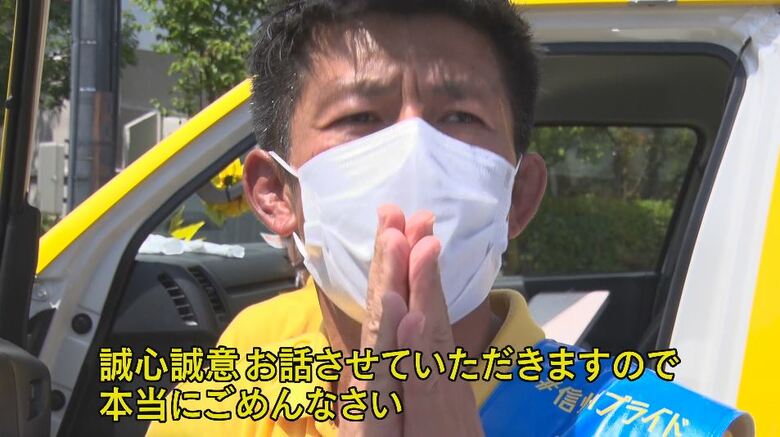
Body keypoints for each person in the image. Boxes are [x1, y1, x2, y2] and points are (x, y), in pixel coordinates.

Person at [147, 1, 752, 436]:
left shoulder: (654, 427)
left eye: (460, 117)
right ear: (275, 193)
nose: (413, 152)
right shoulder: (251, 356)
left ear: (518, 197)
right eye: (360, 117)